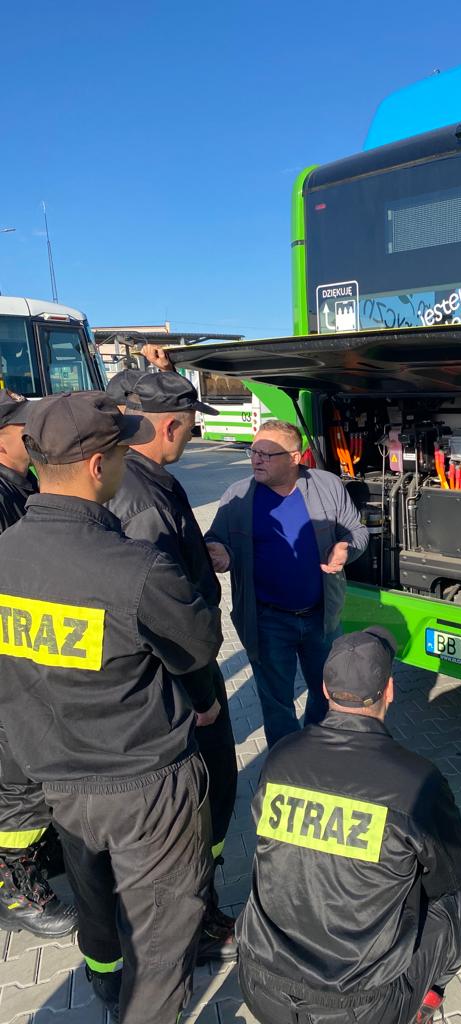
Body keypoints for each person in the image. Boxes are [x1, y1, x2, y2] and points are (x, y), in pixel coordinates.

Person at [0, 391, 222, 1024]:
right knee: (164, 937)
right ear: (99, 466)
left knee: (96, 898)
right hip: (144, 782)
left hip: (57, 779)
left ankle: (103, 984)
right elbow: (198, 646)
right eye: (124, 449)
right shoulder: (135, 567)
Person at [237, 627, 461, 1024]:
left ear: (324, 690)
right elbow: (449, 878)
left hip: (260, 985)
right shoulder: (416, 782)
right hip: (362, 1009)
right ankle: (425, 1000)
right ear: (389, 691)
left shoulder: (280, 757)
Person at [107, 371, 238, 962]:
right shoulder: (144, 499)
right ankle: (197, 918)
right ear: (169, 426)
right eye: (190, 426)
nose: (192, 435)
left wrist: (199, 554)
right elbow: (161, 612)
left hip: (178, 674)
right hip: (183, 680)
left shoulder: (143, 479)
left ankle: (197, 902)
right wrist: (201, 694)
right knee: (209, 794)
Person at [206, 419, 369, 748]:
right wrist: (219, 551)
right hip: (267, 621)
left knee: (327, 693)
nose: (256, 459)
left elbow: (357, 530)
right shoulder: (238, 496)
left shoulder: (327, 485)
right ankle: (284, 762)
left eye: (266, 454)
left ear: (295, 457)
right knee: (277, 703)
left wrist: (346, 548)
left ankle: (317, 752)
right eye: (254, 451)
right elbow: (216, 538)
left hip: (322, 618)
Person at [0, 390, 76, 937]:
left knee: (35, 769)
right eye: (23, 429)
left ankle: (37, 855)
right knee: (15, 779)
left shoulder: (22, 486)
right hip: (11, 665)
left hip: (33, 658)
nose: (33, 437)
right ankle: (13, 888)